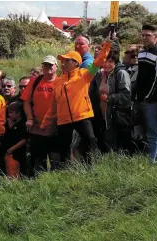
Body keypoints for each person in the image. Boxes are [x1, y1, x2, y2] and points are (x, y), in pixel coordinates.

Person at [41, 32, 113, 165]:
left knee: (91, 140)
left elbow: (98, 62)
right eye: (62, 61)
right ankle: (66, 171)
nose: (63, 63)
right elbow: (54, 104)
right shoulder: (58, 81)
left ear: (76, 63)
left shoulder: (84, 74)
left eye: (67, 60)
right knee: (64, 146)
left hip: (82, 116)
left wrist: (107, 44)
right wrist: (46, 121)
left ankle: (94, 167)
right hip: (64, 119)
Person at [131, 25, 157, 162]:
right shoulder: (141, 53)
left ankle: (151, 163)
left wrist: (148, 97)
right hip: (140, 99)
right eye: (143, 35)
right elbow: (140, 77)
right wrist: (135, 95)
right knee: (144, 132)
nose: (144, 38)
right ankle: (151, 158)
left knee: (153, 133)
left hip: (153, 100)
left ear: (155, 37)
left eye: (148, 35)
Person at [22, 55, 60, 175]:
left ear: (56, 67)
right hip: (37, 127)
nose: (47, 67)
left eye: (50, 65)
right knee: (39, 160)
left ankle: (56, 183)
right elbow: (26, 101)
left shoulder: (60, 82)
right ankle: (39, 185)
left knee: (55, 160)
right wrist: (29, 118)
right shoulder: (35, 81)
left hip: (54, 127)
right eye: (45, 65)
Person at [89, 51, 132, 152]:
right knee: (105, 142)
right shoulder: (100, 74)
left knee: (117, 143)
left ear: (116, 62)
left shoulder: (121, 73)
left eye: (110, 61)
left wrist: (109, 98)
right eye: (104, 61)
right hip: (102, 114)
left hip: (116, 114)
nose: (107, 64)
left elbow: (126, 95)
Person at [1, 102, 28, 178]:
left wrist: (11, 149)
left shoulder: (23, 125)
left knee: (14, 175)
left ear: (19, 113)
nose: (9, 115)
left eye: (11, 112)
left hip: (16, 154)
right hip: (9, 153)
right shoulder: (11, 122)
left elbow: (24, 140)